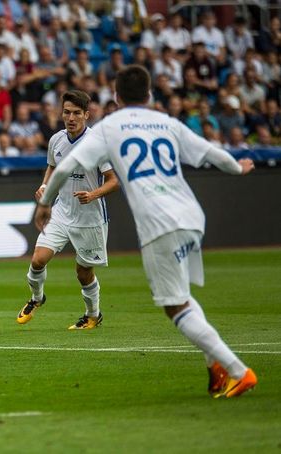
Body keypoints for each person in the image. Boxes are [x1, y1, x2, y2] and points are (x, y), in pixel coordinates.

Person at [35, 65, 257, 398]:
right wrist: (237, 168)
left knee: (174, 306)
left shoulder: (109, 128)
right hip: (192, 215)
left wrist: (45, 203)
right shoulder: (167, 122)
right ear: (150, 94)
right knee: (182, 297)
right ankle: (216, 365)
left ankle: (239, 371)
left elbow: (67, 166)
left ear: (115, 95)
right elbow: (210, 153)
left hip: (159, 222)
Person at [17, 90, 119, 328]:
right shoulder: (56, 140)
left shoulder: (97, 144)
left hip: (90, 218)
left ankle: (93, 315)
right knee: (38, 260)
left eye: (76, 113)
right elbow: (52, 168)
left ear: (86, 114)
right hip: (61, 211)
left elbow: (114, 181)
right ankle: (37, 298)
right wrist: (45, 186)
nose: (70, 118)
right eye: (66, 112)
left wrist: (93, 194)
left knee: (83, 273)